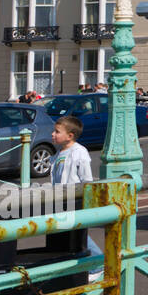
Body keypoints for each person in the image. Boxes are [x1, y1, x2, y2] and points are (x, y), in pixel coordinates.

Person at [48, 116, 103, 279]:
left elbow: (86, 178)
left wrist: (86, 198)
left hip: (74, 199)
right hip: (61, 199)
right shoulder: (59, 153)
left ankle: (98, 263)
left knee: (78, 232)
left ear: (70, 135)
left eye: (57, 132)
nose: (52, 134)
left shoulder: (79, 152)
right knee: (70, 231)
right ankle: (83, 265)